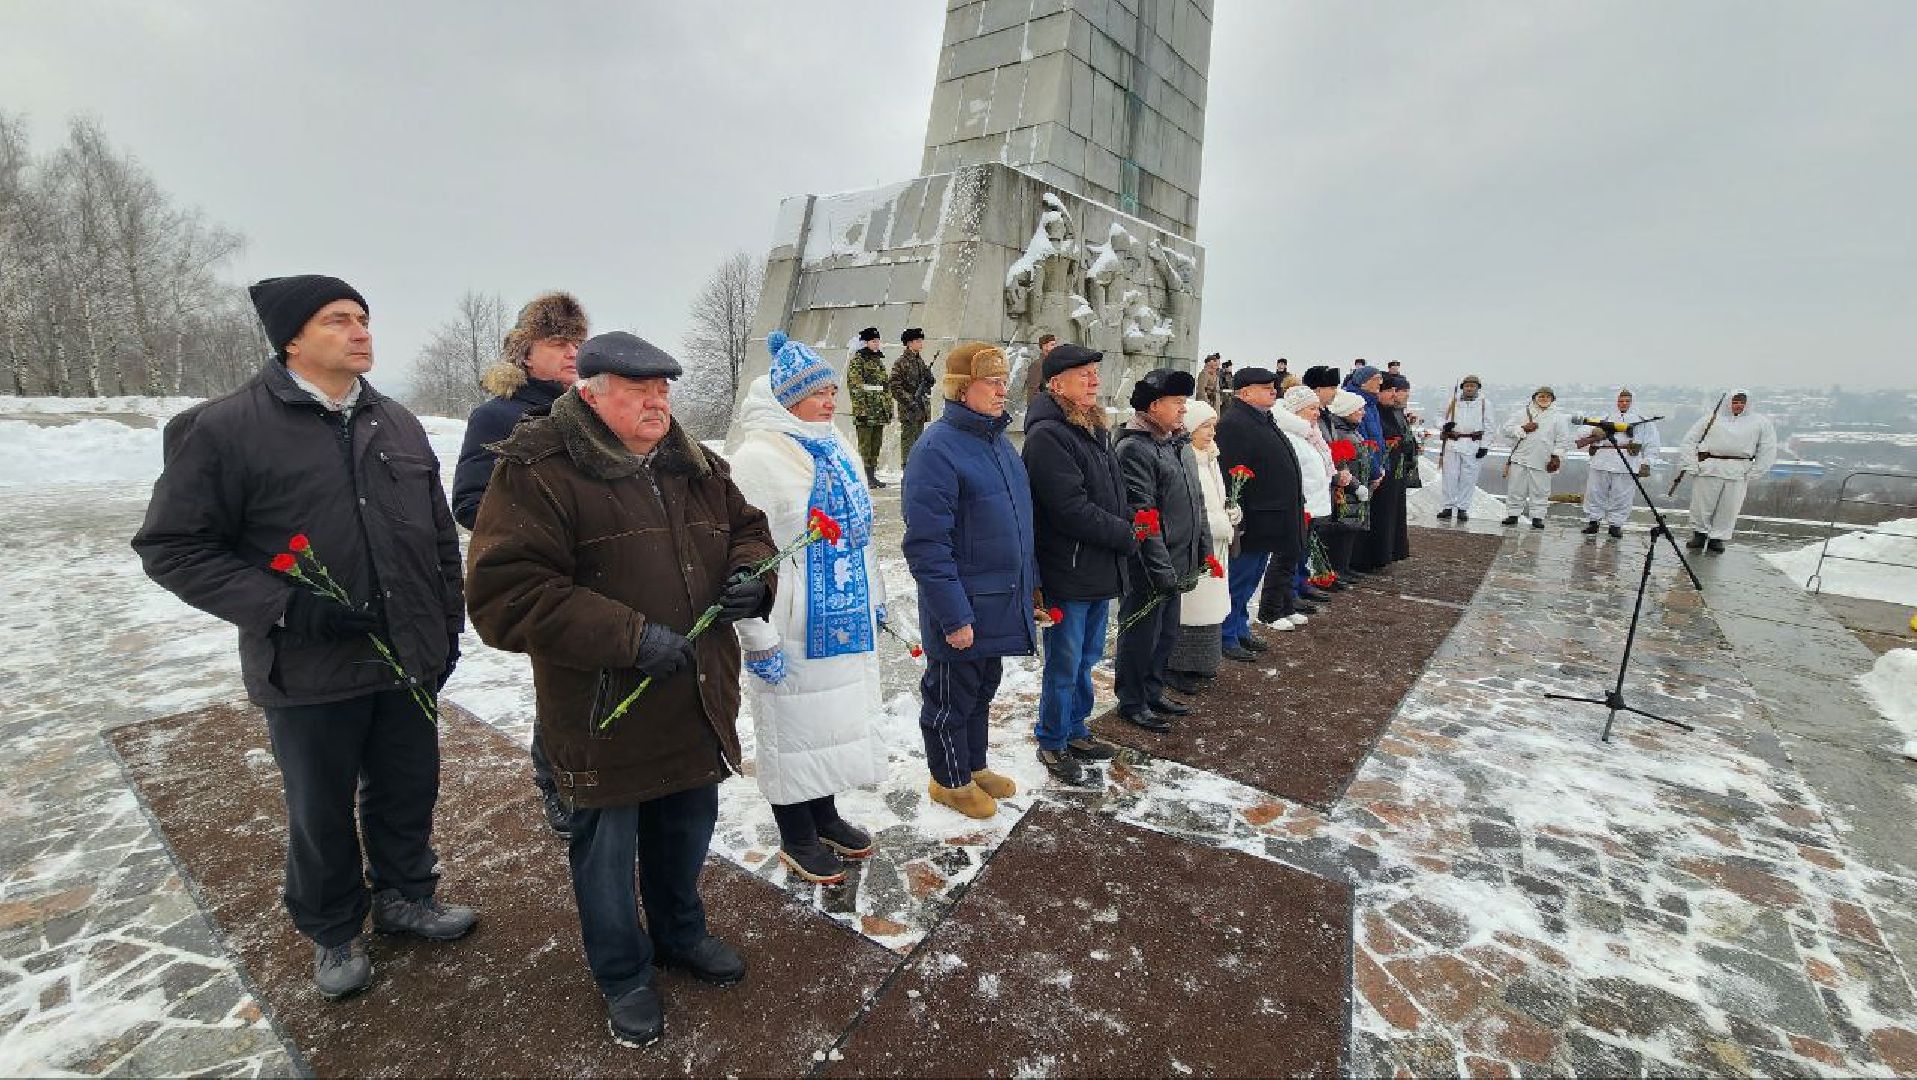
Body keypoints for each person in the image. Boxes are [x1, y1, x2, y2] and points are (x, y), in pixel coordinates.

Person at [133, 275, 473, 1000]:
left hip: (405, 659)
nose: (361, 332)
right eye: (338, 320)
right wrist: (285, 607)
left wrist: (447, 628)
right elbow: (172, 547)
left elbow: (439, 538)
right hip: (309, 666)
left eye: (364, 319)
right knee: (320, 808)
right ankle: (333, 931)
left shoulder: (399, 423)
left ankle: (406, 896)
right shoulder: (226, 429)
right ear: (291, 338)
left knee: (409, 789)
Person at [465, 331, 777, 1048]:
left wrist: (753, 576)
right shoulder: (539, 470)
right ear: (591, 393)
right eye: (639, 390)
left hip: (694, 695)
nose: (657, 402)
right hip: (604, 709)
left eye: (664, 389)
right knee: (605, 853)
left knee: (684, 829)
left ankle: (679, 934)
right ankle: (622, 972)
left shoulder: (692, 461)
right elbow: (506, 595)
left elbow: (748, 529)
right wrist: (629, 637)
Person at [726, 333, 888, 884]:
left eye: (832, 389)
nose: (830, 400)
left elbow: (862, 535)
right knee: (791, 728)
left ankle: (824, 815)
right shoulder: (757, 458)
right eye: (817, 391)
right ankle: (795, 832)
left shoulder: (835, 445)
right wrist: (755, 636)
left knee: (830, 726)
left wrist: (877, 596)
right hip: (789, 621)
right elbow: (740, 555)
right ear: (785, 396)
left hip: (843, 618)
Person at [451, 290, 588, 837]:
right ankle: (554, 784)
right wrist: (543, 531)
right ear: (526, 352)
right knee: (558, 683)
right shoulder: (499, 415)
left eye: (578, 342)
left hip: (597, 569)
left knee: (596, 677)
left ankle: (595, 774)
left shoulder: (589, 408)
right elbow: (469, 500)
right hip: (545, 575)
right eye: (558, 342)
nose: (571, 352)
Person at [902, 342, 1038, 819]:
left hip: (1000, 599)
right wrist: (953, 615)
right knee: (949, 697)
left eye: (1005, 381)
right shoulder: (936, 449)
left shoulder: (999, 443)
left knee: (982, 690)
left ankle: (973, 765)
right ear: (963, 389)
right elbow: (926, 545)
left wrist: (1032, 588)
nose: (1004, 390)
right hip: (962, 606)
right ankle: (949, 780)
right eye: (993, 382)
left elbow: (1020, 527)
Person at [1023, 343, 1135, 785]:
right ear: (1056, 384)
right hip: (1068, 571)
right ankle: (1052, 739)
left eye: (1094, 372)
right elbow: (1069, 508)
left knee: (1087, 656)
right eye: (1083, 374)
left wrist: (1129, 522)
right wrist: (1124, 533)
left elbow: (1112, 493)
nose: (1094, 380)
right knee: (1065, 661)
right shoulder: (1049, 435)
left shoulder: (1090, 427)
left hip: (1095, 567)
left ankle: (1076, 728)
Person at [1114, 368, 1209, 731]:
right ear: (1154, 406)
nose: (1184, 411)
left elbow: (1194, 501)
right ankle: (1132, 700)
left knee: (1166, 633)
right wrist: (1161, 568)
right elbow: (1142, 514)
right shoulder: (1134, 448)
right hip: (1151, 563)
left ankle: (1153, 690)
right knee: (1141, 634)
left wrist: (1200, 549)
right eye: (1178, 403)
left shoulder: (1176, 442)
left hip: (1178, 558)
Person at [1215, 367, 1302, 662]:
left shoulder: (1262, 419)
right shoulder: (1234, 424)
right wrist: (1238, 518)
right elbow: (1230, 475)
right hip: (1251, 520)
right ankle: (1225, 635)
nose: (1273, 391)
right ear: (1244, 392)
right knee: (1237, 582)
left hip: (1270, 517)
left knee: (1250, 580)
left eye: (1273, 386)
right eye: (1265, 387)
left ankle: (1239, 628)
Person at [1168, 399, 1235, 685]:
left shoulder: (1211, 457)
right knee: (1191, 607)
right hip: (1196, 545)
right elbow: (1193, 505)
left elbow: (1215, 498)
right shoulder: (1187, 458)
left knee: (1210, 606)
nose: (1211, 433)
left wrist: (1231, 512)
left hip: (1216, 544)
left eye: (1212, 427)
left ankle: (1203, 661)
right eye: (1205, 426)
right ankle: (1179, 665)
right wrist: (1218, 524)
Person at [1680, 389, 1777, 553]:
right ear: (1728, 403)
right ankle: (1699, 534)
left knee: (1729, 507)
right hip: (1710, 466)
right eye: (1735, 402)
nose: (1738, 406)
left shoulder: (1760, 423)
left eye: (1742, 402)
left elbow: (1767, 448)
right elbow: (1689, 441)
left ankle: (1717, 538)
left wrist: (1756, 470)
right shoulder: (1711, 419)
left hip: (1738, 470)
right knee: (1702, 504)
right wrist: (1691, 464)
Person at [1577, 388, 1660, 539]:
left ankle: (1615, 525)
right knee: (1595, 493)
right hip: (1602, 460)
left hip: (1627, 461)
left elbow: (1652, 444)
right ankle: (1593, 521)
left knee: (1622, 496)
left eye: (1627, 401)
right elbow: (1582, 432)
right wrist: (1596, 431)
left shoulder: (1643, 421)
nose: (1623, 404)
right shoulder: (1605, 417)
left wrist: (1647, 462)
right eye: (1621, 401)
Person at [1501, 386, 1573, 529]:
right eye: (1541, 396)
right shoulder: (1521, 413)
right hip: (1520, 456)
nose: (1544, 399)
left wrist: (1556, 457)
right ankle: (1513, 514)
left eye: (1547, 397)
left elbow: (1563, 440)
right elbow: (1505, 429)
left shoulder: (1558, 418)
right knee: (1516, 488)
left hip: (1543, 459)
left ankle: (1538, 517)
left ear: (1552, 399)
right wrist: (1522, 428)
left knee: (1540, 490)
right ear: (1535, 398)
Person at [1436, 375, 1494, 522]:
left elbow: (1489, 426)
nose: (1469, 388)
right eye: (1467, 386)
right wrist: (1444, 426)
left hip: (1472, 443)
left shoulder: (1485, 404)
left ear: (1477, 388)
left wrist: (1484, 446)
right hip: (1453, 441)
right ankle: (1448, 506)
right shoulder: (1452, 402)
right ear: (1463, 387)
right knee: (1449, 476)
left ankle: (1463, 508)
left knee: (1469, 478)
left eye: (1473, 386)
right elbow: (1438, 417)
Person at [847, 327, 892, 489]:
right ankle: (865, 477)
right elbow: (855, 387)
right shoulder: (858, 361)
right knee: (865, 445)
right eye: (873, 341)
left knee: (875, 444)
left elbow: (885, 386)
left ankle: (872, 476)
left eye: (878, 341)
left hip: (878, 410)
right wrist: (861, 410)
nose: (876, 343)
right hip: (866, 411)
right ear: (865, 342)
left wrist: (887, 408)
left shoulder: (877, 360)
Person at [888, 327, 935, 471]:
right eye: (917, 341)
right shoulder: (900, 362)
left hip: (920, 407)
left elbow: (930, 383)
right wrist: (910, 401)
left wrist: (929, 378)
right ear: (909, 343)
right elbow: (895, 387)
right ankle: (907, 468)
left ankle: (917, 467)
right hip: (909, 408)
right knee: (908, 440)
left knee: (919, 440)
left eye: (921, 341)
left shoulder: (920, 362)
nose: (921, 344)